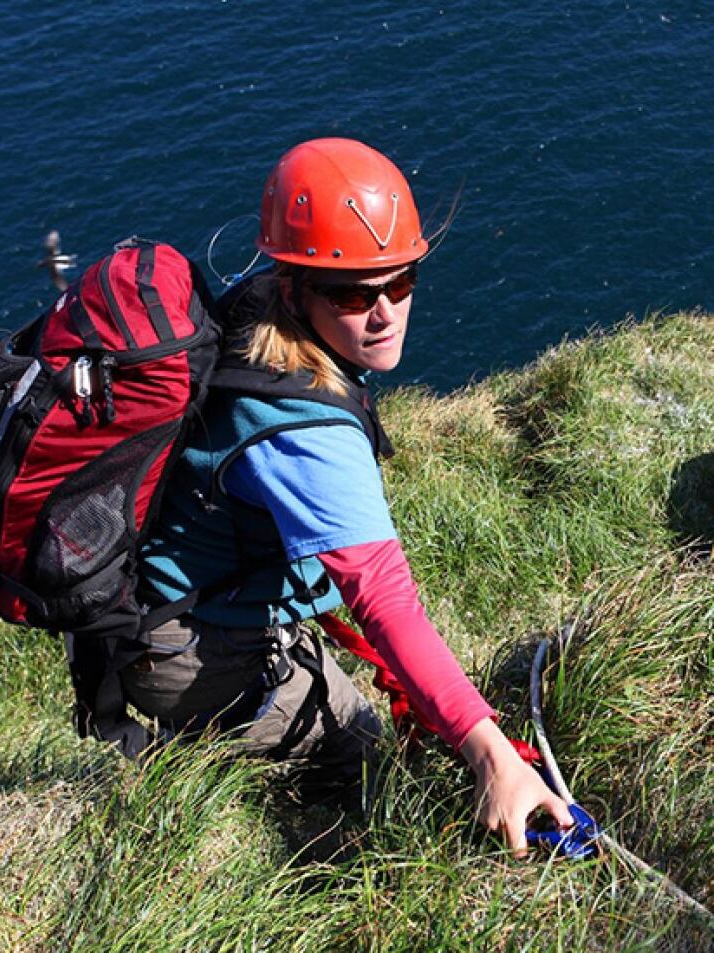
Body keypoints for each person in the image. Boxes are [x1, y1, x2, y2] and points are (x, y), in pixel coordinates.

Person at [112, 137, 573, 854]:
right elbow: (383, 598)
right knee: (362, 748)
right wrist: (492, 755)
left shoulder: (255, 314)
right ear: (296, 285)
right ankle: (307, 863)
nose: (384, 312)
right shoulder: (307, 434)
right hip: (186, 642)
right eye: (355, 293)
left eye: (401, 282)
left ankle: (201, 752)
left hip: (169, 604)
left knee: (353, 700)